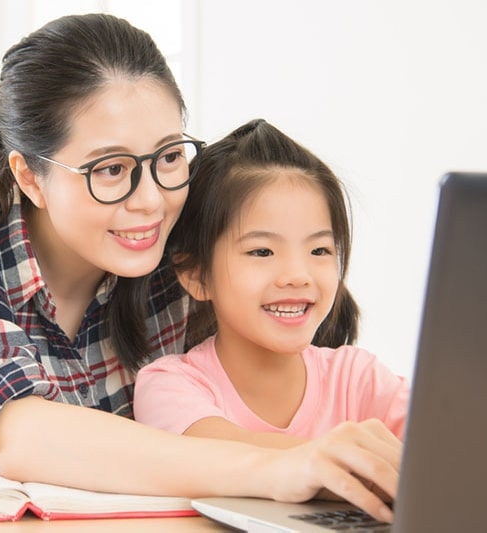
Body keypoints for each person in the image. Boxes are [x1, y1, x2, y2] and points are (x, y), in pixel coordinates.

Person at [0, 14, 399, 523]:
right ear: (29, 177)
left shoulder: (180, 254)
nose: (151, 202)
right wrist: (289, 466)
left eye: (168, 158)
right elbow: (22, 433)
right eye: (111, 169)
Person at [134, 117, 409, 475]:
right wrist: (343, 458)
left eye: (320, 251)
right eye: (262, 252)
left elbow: (449, 442)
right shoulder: (170, 385)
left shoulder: (358, 378)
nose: (297, 275)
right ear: (196, 274)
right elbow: (208, 448)